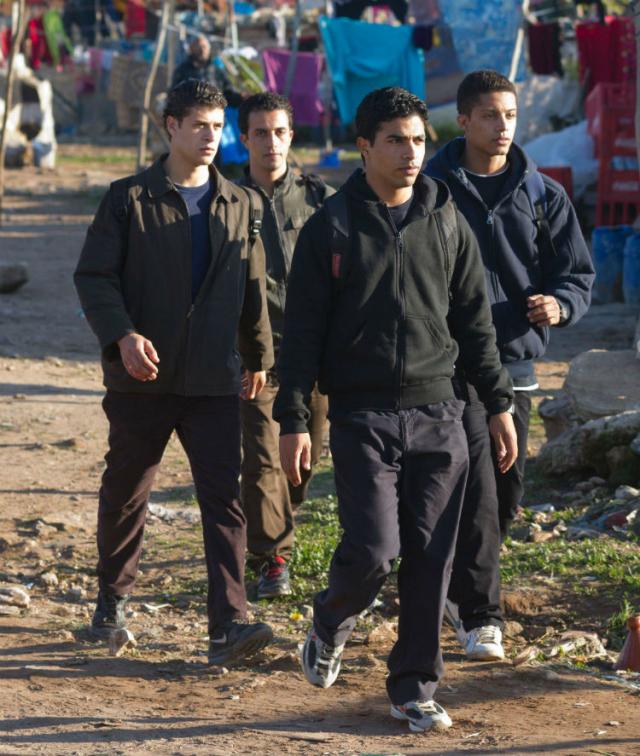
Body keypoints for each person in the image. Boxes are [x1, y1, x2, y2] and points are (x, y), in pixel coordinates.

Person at [273, 86, 517, 733]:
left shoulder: (447, 220)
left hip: (440, 413)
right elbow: (301, 336)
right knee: (375, 550)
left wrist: (497, 404)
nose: (411, 154)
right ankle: (331, 617)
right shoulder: (331, 228)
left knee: (432, 559)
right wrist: (293, 420)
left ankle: (414, 687)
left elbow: (475, 324)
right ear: (364, 146)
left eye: (418, 141)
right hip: (363, 416)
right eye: (395, 141)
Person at [73, 79, 275, 666]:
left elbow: (252, 285)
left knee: (224, 499)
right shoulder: (127, 199)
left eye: (218, 126)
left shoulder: (241, 202)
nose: (211, 137)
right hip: (143, 378)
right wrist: (121, 335)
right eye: (199, 125)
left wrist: (258, 356)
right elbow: (94, 277)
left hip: (214, 378)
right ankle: (112, 601)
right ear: (171, 126)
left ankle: (229, 625)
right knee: (126, 492)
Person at [424, 69, 594, 661]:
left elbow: (577, 274)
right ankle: (481, 616)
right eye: (490, 115)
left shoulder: (543, 195)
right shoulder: (432, 190)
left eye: (511, 116)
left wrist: (560, 305)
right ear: (464, 120)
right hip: (451, 365)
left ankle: (452, 586)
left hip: (517, 364)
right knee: (477, 491)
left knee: (506, 489)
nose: (503, 127)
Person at [236, 92, 332, 599]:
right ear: (244, 138)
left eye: (279, 132)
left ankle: (274, 514)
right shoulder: (225, 199)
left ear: (291, 136)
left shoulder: (321, 200)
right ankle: (272, 557)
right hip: (254, 356)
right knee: (262, 459)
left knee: (302, 462)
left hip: (313, 355)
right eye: (260, 133)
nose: (270, 143)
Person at [172, 35, 241, 107]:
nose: (202, 50)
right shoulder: (182, 70)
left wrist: (240, 97)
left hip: (214, 109)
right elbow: (174, 94)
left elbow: (229, 92)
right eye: (198, 47)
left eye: (204, 47)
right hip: (191, 109)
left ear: (209, 49)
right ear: (191, 49)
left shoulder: (216, 70)